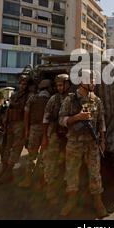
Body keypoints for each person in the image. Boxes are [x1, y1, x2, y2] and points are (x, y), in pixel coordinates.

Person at [58, 70, 108, 218]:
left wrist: (103, 140)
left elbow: (101, 122)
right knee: (72, 172)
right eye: (90, 80)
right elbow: (61, 120)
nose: (93, 83)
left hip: (92, 143)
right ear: (81, 81)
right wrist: (77, 117)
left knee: (94, 173)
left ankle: (98, 202)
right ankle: (71, 201)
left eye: (94, 80)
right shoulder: (70, 100)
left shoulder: (96, 100)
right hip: (74, 143)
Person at [0, 76, 32, 185]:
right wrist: (5, 120)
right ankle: (4, 170)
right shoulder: (15, 94)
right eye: (21, 83)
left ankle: (9, 172)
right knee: (4, 147)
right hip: (10, 124)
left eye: (25, 84)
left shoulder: (29, 96)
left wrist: (26, 128)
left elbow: (27, 112)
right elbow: (9, 108)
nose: (22, 85)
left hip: (20, 124)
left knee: (16, 148)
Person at [41, 74, 70, 205]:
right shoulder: (53, 99)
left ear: (67, 84)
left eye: (61, 85)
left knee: (68, 165)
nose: (59, 88)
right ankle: (50, 191)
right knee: (50, 163)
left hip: (69, 137)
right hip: (55, 135)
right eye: (57, 85)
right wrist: (44, 138)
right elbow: (46, 118)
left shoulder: (73, 98)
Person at [18, 79, 52, 188]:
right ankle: (40, 181)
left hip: (33, 128)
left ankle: (27, 179)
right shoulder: (51, 99)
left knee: (31, 155)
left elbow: (26, 114)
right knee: (44, 156)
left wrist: (27, 130)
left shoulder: (32, 98)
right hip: (46, 129)